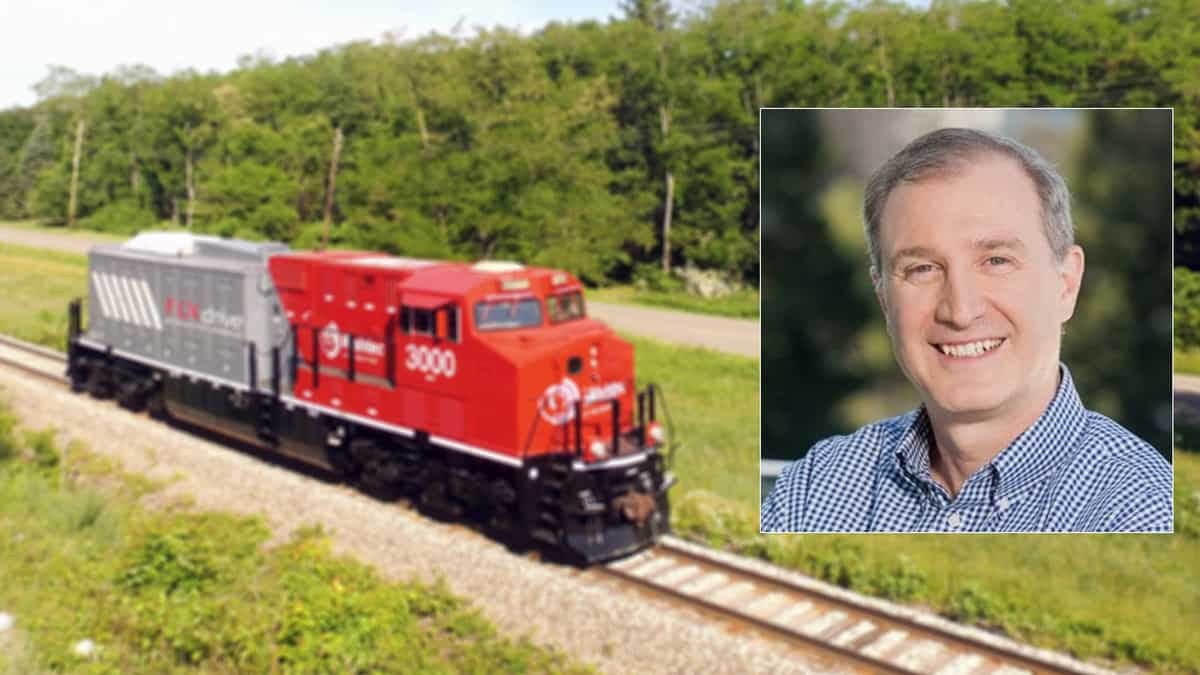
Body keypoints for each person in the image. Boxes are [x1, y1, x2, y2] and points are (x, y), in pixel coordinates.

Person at [761, 127, 1172, 533]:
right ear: (884, 298)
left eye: (996, 261)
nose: (961, 310)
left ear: (1066, 284)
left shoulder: (1140, 508)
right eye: (922, 268)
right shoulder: (814, 490)